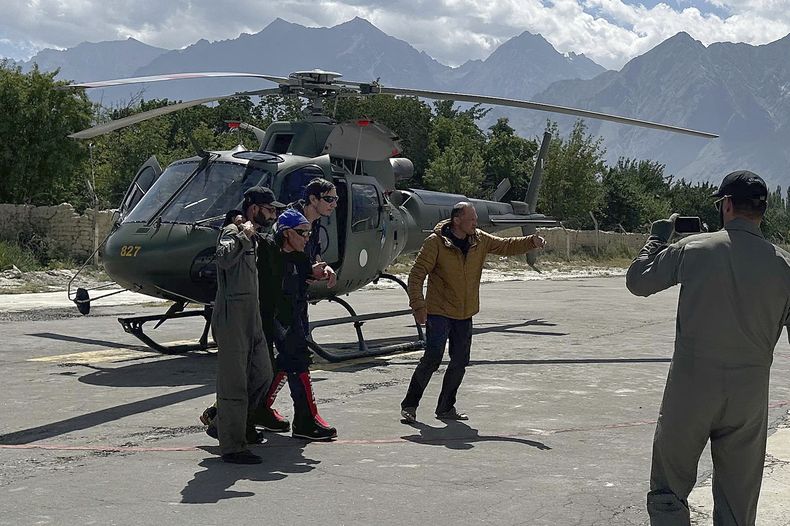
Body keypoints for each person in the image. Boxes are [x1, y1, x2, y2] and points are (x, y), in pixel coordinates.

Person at [625, 170, 790, 525]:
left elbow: (638, 281)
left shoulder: (695, 247)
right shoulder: (783, 264)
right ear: (762, 210)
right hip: (749, 396)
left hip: (691, 389)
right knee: (737, 503)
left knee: (669, 490)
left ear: (726, 205)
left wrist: (656, 240)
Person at [400, 201, 546, 423]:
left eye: (476, 220)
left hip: (464, 312)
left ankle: (446, 408)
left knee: (460, 361)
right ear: (456, 220)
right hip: (439, 311)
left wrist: (530, 242)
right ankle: (410, 405)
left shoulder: (479, 239)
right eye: (471, 220)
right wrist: (419, 307)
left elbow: (505, 246)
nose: (475, 223)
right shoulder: (436, 243)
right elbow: (416, 276)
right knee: (432, 358)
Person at [250, 177, 339, 430]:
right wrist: (306, 270)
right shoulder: (289, 221)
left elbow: (311, 257)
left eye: (336, 199)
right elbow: (278, 262)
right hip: (280, 303)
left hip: (297, 299)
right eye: (329, 199)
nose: (334, 204)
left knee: (288, 358)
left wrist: (324, 268)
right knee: (295, 355)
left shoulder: (313, 226)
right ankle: (304, 419)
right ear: (313, 199)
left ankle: (260, 409)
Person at [211, 185, 284, 464]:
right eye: (270, 209)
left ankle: (225, 421)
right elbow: (222, 258)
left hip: (250, 315)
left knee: (263, 373)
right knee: (234, 383)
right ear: (254, 209)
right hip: (232, 317)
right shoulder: (233, 232)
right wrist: (243, 234)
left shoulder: (254, 235)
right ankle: (232, 446)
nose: (274, 214)